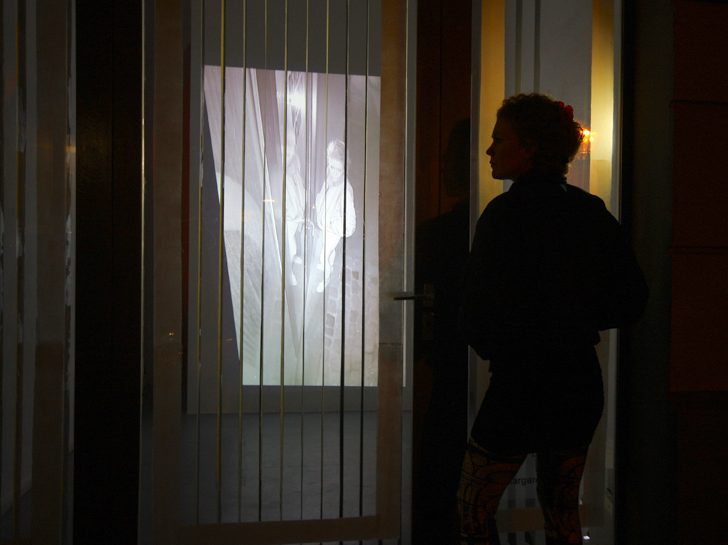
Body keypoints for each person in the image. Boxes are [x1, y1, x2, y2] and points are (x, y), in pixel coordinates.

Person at [457, 94, 648, 545]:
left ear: (529, 147)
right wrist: (574, 318)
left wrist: (502, 340)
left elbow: (477, 308)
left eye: (499, 139)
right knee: (563, 512)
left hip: (520, 382)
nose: (489, 150)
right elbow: (632, 299)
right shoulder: (591, 211)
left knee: (472, 508)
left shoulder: (504, 215)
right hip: (578, 380)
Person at [314, 139, 356, 292]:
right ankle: (328, 263)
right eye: (331, 166)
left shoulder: (346, 190)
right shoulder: (330, 176)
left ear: (344, 168)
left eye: (338, 169)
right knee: (327, 252)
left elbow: (350, 225)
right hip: (325, 226)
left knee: (323, 254)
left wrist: (332, 225)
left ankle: (326, 278)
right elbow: (324, 196)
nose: (333, 172)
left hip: (333, 230)